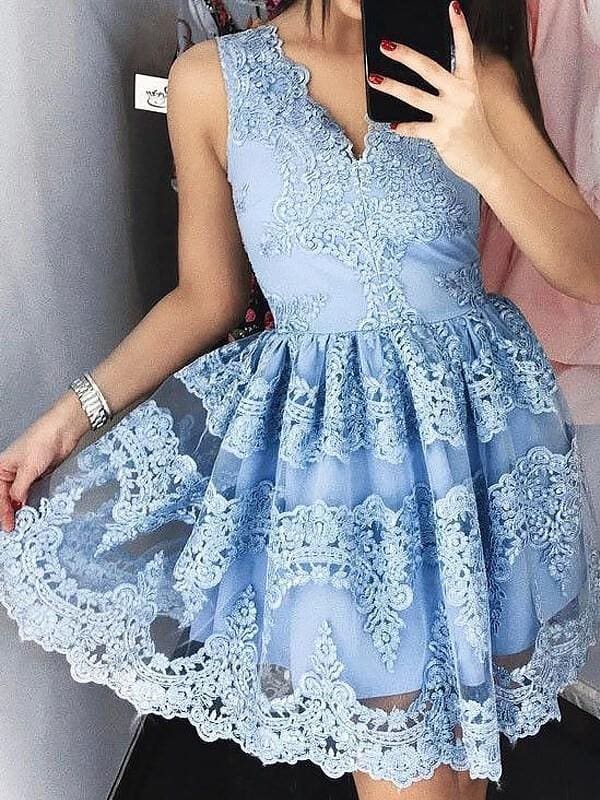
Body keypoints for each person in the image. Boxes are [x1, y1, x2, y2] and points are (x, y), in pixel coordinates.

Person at [1, 1, 600, 798]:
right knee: (406, 765)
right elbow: (206, 298)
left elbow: (587, 267)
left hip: (475, 449)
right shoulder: (208, 82)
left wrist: (482, 153)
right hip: (335, 476)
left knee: (462, 766)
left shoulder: (465, 64)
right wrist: (65, 420)